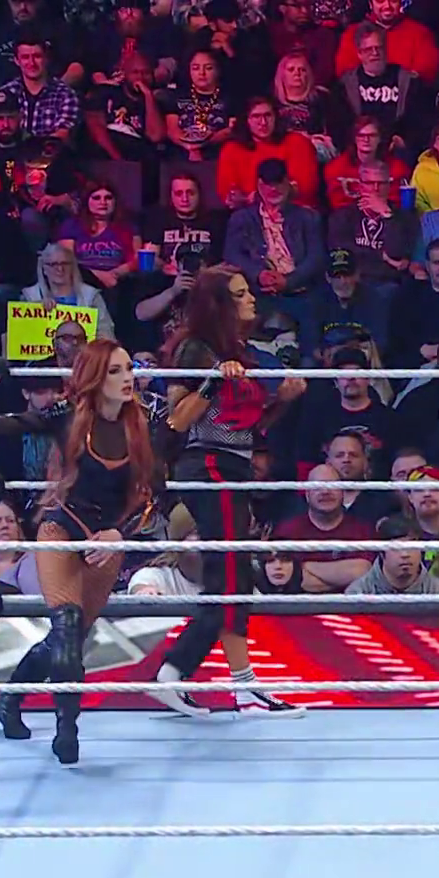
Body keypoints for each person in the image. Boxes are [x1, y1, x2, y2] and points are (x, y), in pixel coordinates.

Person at [0, 340, 164, 766]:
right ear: (94, 377)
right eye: (115, 371)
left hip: (108, 538)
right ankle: (67, 733)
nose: (127, 378)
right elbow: (5, 425)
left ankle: (10, 699)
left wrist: (118, 534)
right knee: (66, 628)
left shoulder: (142, 425)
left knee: (69, 639)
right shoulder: (68, 416)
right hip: (61, 528)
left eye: (129, 368)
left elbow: (152, 493)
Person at [150, 265, 309, 720]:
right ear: (220, 304)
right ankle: (187, 674)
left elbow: (243, 427)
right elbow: (177, 420)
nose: (252, 298)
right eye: (241, 293)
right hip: (207, 466)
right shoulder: (193, 349)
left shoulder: (238, 352)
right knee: (230, 577)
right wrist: (214, 378)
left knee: (236, 575)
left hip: (232, 465)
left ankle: (228, 684)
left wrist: (282, 402)